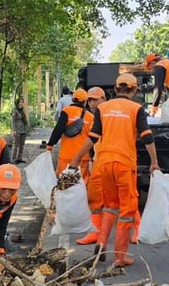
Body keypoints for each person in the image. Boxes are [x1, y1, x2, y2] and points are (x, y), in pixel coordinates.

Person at [68, 74, 160, 267]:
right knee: (127, 210)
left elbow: (92, 137)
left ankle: (101, 243)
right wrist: (154, 162)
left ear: (116, 89)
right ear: (134, 90)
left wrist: (76, 160)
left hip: (104, 164)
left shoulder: (103, 108)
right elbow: (147, 137)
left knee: (109, 206)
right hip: (124, 165)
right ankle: (120, 256)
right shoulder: (136, 109)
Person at [76, 86, 106, 245]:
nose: (92, 103)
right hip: (99, 161)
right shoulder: (93, 116)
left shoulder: (108, 115)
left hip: (112, 161)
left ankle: (137, 230)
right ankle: (95, 234)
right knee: (94, 200)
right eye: (90, 100)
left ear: (104, 99)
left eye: (95, 99)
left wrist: (77, 158)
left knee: (124, 201)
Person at [46, 88, 93, 181]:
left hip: (66, 156)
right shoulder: (90, 117)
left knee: (64, 184)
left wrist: (50, 145)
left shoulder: (66, 111)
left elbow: (58, 129)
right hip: (83, 158)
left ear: (72, 99)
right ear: (85, 102)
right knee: (81, 185)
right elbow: (92, 138)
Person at [11, 98, 29, 163]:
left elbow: (25, 121)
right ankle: (13, 159)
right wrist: (14, 130)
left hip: (23, 130)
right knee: (16, 145)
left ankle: (19, 158)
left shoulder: (22, 110)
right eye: (20, 102)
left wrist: (27, 129)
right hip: (17, 130)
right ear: (17, 103)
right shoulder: (15, 111)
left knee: (22, 145)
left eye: (22, 102)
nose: (21, 103)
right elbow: (13, 121)